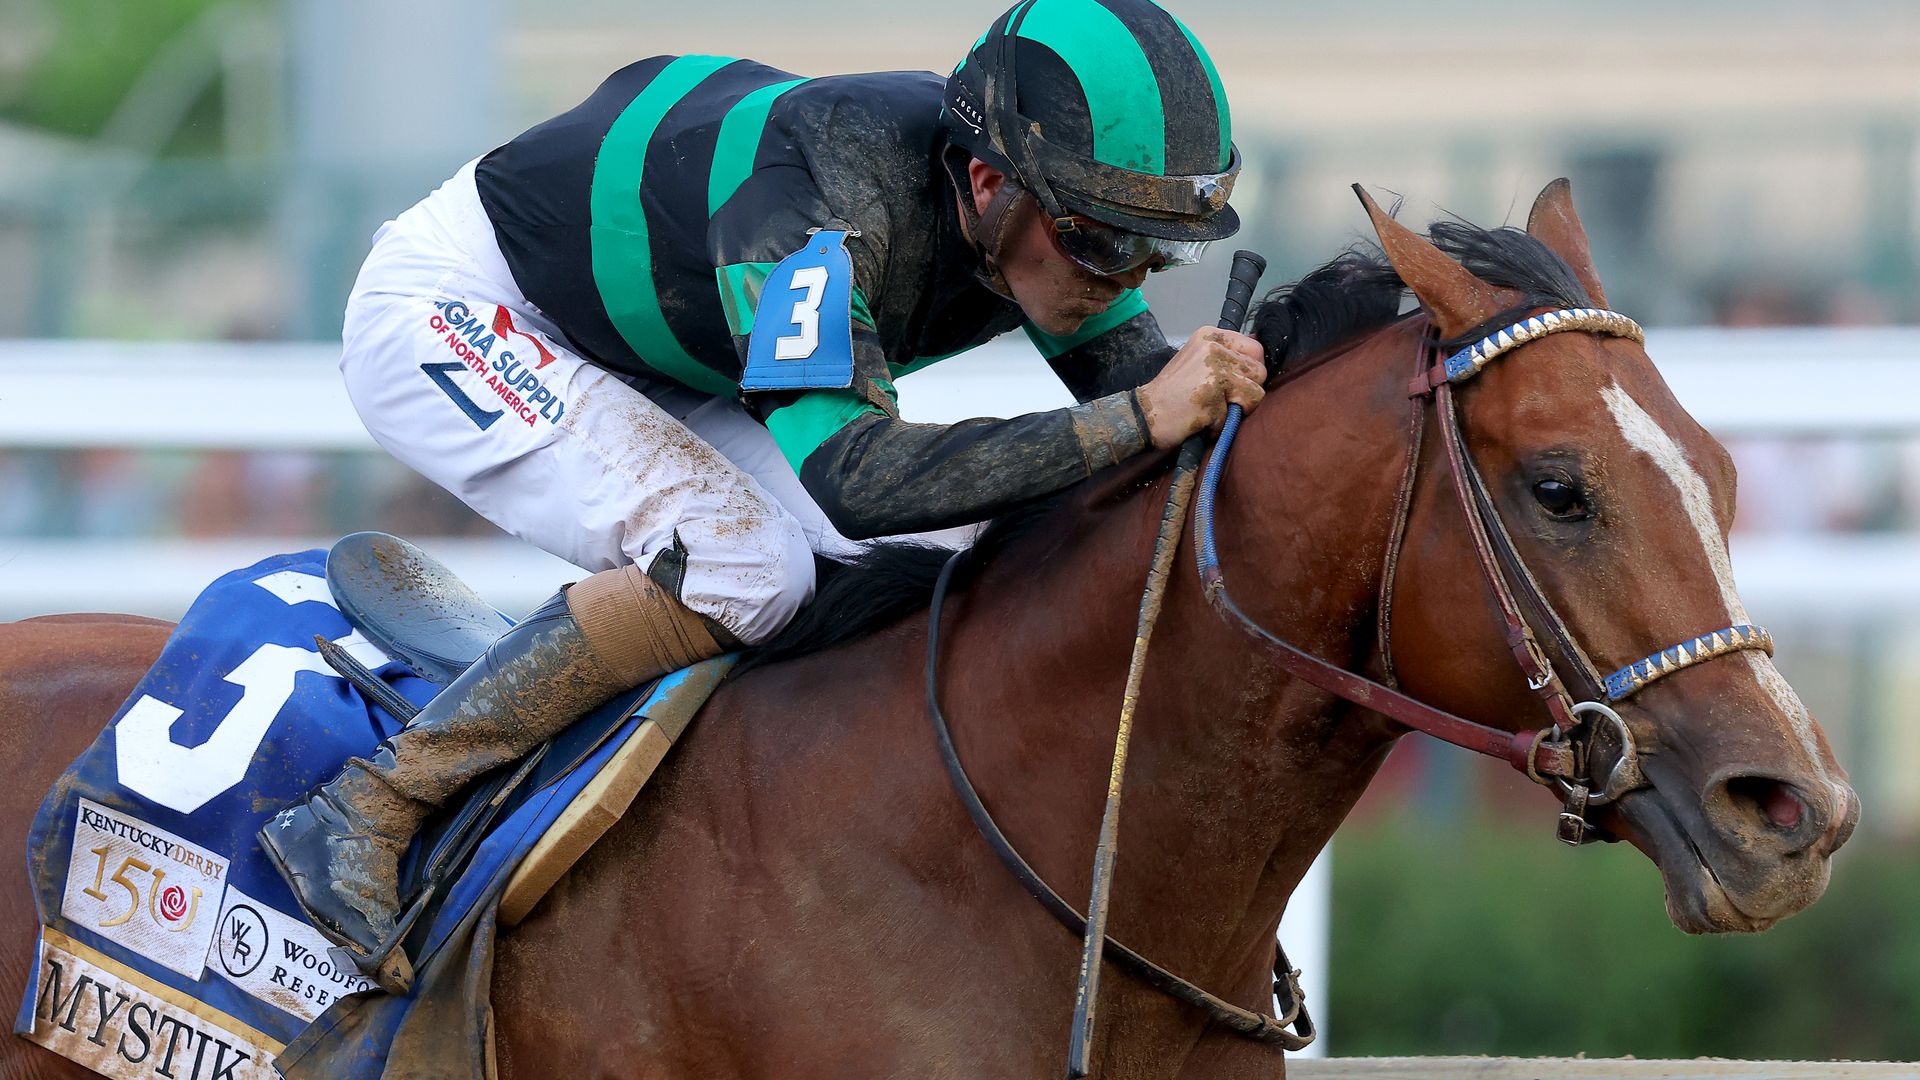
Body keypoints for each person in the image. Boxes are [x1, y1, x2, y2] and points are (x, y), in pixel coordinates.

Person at [261, 0, 1268, 989]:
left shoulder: (1031, 210)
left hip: (666, 344)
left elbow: (1145, 411)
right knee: (748, 564)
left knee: (961, 555)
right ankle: (371, 805)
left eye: (1161, 249)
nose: (1128, 277)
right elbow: (861, 479)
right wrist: (1141, 416)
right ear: (988, 180)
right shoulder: (819, 212)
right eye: (1105, 243)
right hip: (467, 306)